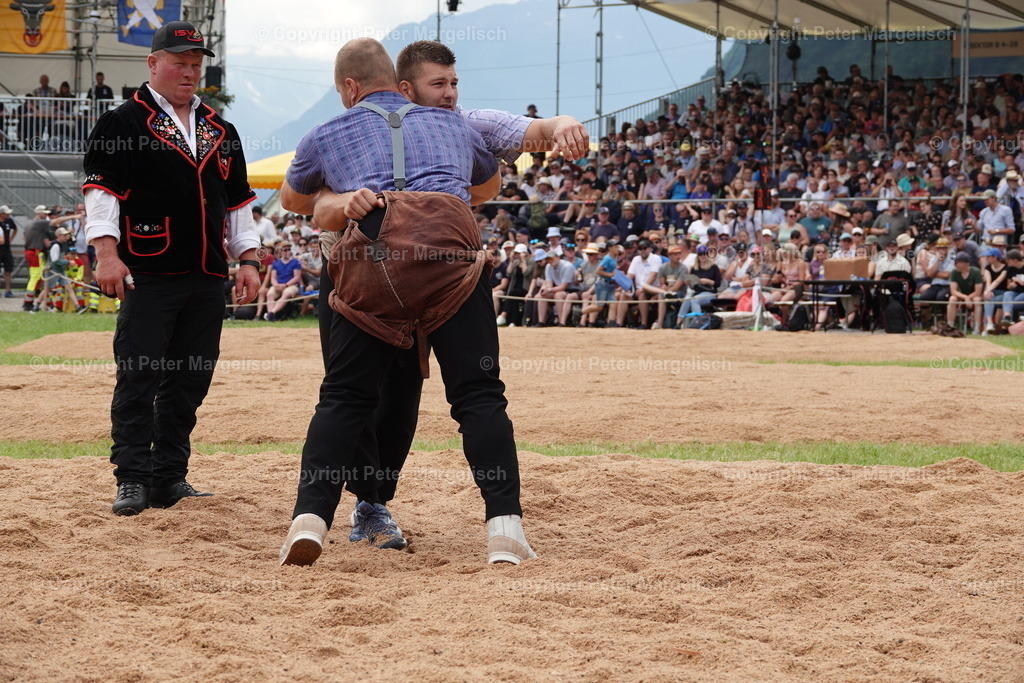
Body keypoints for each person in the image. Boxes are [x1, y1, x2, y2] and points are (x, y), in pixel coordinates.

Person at [292, 39, 588, 552]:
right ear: (404, 85)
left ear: (349, 87)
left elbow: (298, 200)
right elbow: (490, 183)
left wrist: (338, 196)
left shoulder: (329, 131)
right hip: (447, 259)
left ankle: (309, 520)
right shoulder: (460, 126)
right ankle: (504, 529)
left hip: (370, 255)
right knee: (478, 395)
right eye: (441, 84)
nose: (450, 93)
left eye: (454, 84)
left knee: (345, 395)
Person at [82, 21, 261, 515]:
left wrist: (247, 259)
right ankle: (132, 478)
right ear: (153, 63)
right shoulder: (122, 123)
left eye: (195, 65)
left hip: (207, 273)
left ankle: (169, 477)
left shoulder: (220, 129)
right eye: (179, 63)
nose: (188, 72)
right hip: (149, 271)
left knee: (189, 379)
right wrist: (107, 254)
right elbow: (102, 196)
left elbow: (238, 203)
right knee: (139, 376)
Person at [263, 242, 303, 321]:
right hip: (278, 284)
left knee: (286, 294)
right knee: (269, 294)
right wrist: (275, 285)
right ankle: (271, 316)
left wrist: (285, 285)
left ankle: (271, 313)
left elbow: (297, 277)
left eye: (288, 249)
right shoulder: (276, 263)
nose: (287, 251)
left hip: (292, 285)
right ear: (280, 251)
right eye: (285, 250)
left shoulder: (296, 262)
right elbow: (273, 277)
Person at [947, 253, 983, 332]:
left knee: (977, 300)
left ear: (964, 264)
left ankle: (977, 328)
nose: (955, 265)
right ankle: (950, 326)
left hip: (974, 296)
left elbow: (978, 291)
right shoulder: (954, 272)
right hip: (962, 296)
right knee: (952, 299)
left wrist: (969, 298)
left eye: (957, 263)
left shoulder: (976, 272)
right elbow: (953, 291)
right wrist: (965, 298)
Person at [0, 205, 17, 297]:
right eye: (6, 214)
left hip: (6, 248)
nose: (8, 215)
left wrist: (11, 238)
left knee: (8, 270)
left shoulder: (9, 221)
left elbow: (15, 229)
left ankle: (8, 290)